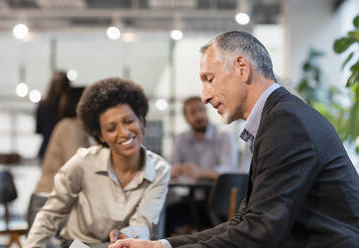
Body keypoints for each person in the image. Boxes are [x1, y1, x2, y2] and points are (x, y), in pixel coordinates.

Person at [110, 31, 359, 248]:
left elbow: (259, 233)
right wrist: (161, 245)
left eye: (209, 79)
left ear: (241, 67)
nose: (205, 97)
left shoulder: (286, 123)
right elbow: (244, 223)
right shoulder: (279, 117)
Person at [25, 77, 171, 247]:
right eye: (111, 128)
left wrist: (124, 235)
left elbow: (143, 222)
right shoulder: (82, 162)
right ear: (101, 136)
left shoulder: (160, 169)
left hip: (123, 245)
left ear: (141, 121)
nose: (123, 132)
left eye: (129, 121)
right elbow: (49, 216)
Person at [34, 87, 90, 193]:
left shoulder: (77, 128)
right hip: (50, 199)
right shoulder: (69, 126)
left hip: (58, 198)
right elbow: (77, 167)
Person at [170, 96, 238, 180]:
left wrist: (200, 173)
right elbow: (171, 167)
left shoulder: (224, 134)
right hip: (188, 190)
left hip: (219, 190)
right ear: (186, 118)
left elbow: (229, 170)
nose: (199, 116)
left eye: (202, 110)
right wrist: (175, 170)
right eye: (193, 112)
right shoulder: (181, 138)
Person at [35, 70, 71, 160]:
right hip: (66, 148)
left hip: (47, 148)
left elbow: (39, 130)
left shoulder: (43, 105)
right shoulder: (69, 107)